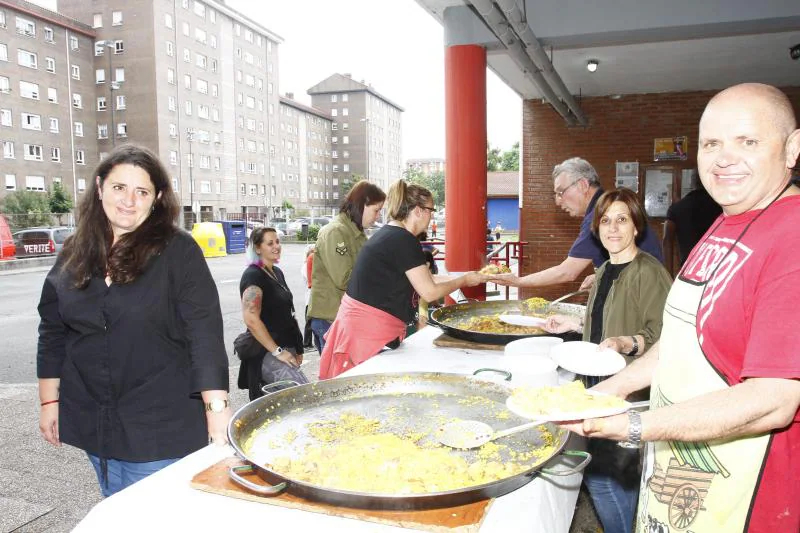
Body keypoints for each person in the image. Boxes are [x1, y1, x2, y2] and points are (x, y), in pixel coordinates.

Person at [564, 83, 800, 533]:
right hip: (681, 479)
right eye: (712, 143)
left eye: (747, 141)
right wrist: (607, 391)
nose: (724, 158)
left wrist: (632, 425)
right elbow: (679, 341)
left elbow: (774, 400)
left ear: (792, 149)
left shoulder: (792, 235)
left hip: (745, 499)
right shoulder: (724, 223)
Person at [36, 145, 230, 497]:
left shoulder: (179, 251)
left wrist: (217, 410)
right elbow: (52, 329)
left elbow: (204, 333)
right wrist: (50, 402)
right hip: (95, 423)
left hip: (159, 427)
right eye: (119, 187)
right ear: (99, 188)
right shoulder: (75, 250)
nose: (129, 200)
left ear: (156, 199)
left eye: (142, 191)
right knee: (115, 509)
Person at [543, 187, 672, 533]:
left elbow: (666, 337)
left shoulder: (648, 271)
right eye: (605, 221)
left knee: (605, 479)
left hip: (629, 394)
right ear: (596, 229)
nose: (613, 228)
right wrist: (574, 323)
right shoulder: (605, 270)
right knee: (611, 476)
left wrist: (627, 343)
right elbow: (605, 320)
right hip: (597, 389)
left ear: (636, 227)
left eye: (622, 220)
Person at [319, 180, 486, 379]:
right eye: (431, 210)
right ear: (418, 210)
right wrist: (464, 281)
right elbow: (429, 291)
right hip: (367, 333)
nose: (431, 216)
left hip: (365, 329)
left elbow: (424, 278)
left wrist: (466, 277)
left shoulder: (392, 234)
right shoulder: (403, 240)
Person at [491, 158, 664, 290]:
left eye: (561, 192)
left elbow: (567, 272)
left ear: (582, 185)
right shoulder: (608, 205)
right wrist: (602, 275)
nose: (558, 202)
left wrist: (517, 281)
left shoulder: (601, 214)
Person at [308, 180, 386, 353]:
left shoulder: (357, 234)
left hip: (348, 319)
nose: (378, 216)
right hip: (331, 320)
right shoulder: (336, 232)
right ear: (363, 204)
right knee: (339, 378)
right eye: (376, 210)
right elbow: (344, 279)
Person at [239, 227, 304, 400]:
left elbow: (287, 313)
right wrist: (278, 352)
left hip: (285, 348)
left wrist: (298, 348)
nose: (276, 246)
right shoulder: (253, 275)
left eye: (277, 241)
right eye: (270, 243)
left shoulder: (276, 272)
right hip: (267, 353)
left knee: (289, 405)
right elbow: (251, 319)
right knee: (303, 395)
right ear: (258, 248)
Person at [662, 174, 722, 274]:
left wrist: (668, 273)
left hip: (689, 267)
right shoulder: (722, 206)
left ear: (692, 184)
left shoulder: (677, 208)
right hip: (716, 267)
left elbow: (667, 240)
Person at [301, 244, 315, 348]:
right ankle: (306, 343)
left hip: (313, 297)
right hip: (310, 298)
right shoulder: (305, 266)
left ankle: (309, 342)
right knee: (309, 321)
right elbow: (310, 280)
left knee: (312, 321)